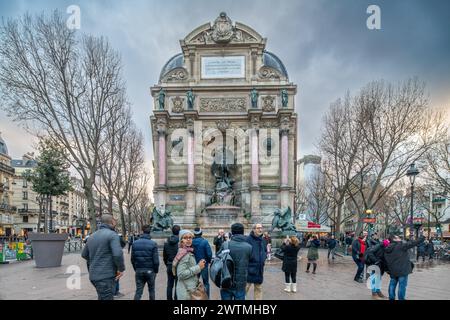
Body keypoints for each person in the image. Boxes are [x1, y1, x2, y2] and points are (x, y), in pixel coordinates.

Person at [81, 214, 125, 300]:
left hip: (94, 275)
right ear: (112, 221)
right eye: (115, 220)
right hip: (106, 276)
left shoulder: (92, 236)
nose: (116, 221)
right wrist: (121, 269)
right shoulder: (112, 235)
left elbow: (84, 254)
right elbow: (117, 254)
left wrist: (95, 261)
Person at [384, 235, 425, 300]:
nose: (400, 238)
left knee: (392, 284)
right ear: (394, 239)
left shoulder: (387, 249)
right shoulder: (400, 246)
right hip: (402, 270)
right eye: (398, 237)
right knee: (402, 286)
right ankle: (401, 298)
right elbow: (413, 243)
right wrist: (422, 237)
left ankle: (391, 298)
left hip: (393, 270)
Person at [219, 223, 252, 300]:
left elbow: (218, 258)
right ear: (243, 232)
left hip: (226, 280)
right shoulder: (249, 247)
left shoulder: (225, 245)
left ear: (232, 232)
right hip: (241, 282)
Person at [173, 230, 206, 300]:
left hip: (188, 289)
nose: (188, 239)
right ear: (181, 240)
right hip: (186, 293)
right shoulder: (184, 254)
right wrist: (198, 267)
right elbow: (181, 274)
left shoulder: (186, 251)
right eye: (185, 238)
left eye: (190, 237)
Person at [130, 225, 159, 300]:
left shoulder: (135, 243)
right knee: (151, 290)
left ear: (142, 231)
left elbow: (132, 259)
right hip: (150, 271)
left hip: (139, 270)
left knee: (138, 291)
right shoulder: (153, 244)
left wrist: (136, 269)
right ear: (150, 232)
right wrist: (156, 271)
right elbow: (156, 261)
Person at [245, 223, 267, 300]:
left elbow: (265, 251)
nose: (260, 229)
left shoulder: (263, 240)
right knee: (245, 288)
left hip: (259, 269)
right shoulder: (248, 239)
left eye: (261, 228)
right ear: (253, 229)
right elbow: (245, 253)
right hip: (250, 268)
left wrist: (264, 258)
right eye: (258, 228)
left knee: (259, 288)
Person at [192, 227, 213, 298]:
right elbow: (209, 254)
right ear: (201, 233)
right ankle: (207, 297)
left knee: (194, 282)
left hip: (194, 265)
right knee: (206, 283)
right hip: (204, 264)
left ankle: (194, 297)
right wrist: (209, 261)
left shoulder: (191, 242)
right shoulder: (205, 242)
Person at [163, 225, 181, 300]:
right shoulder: (180, 243)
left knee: (169, 285)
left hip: (170, 265)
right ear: (179, 232)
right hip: (178, 265)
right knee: (178, 284)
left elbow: (164, 256)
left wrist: (167, 264)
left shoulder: (167, 242)